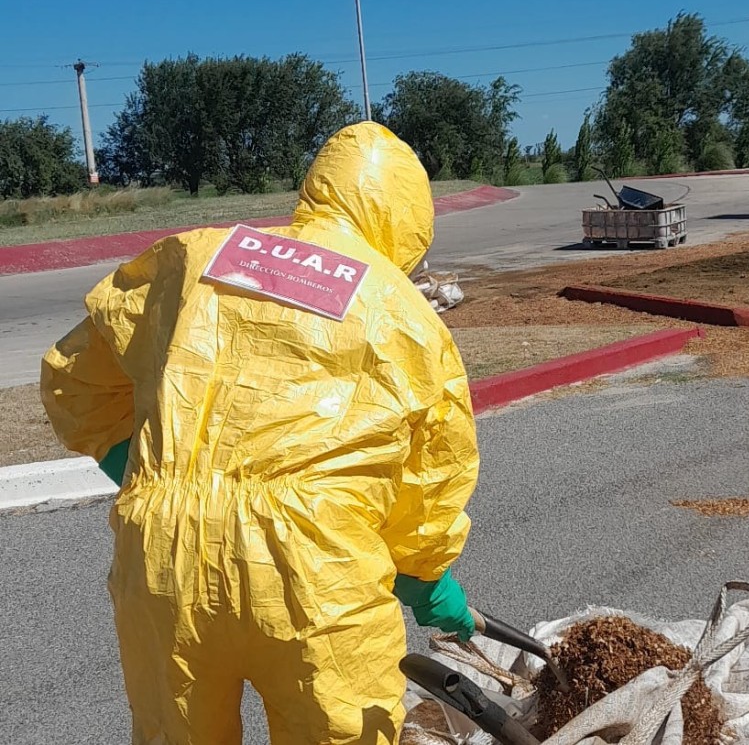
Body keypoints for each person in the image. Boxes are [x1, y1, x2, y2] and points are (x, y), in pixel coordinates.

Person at [40, 122, 481, 744]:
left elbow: (72, 383)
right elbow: (430, 476)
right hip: (316, 570)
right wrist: (428, 581)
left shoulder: (195, 257)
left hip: (162, 551)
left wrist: (146, 473)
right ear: (407, 222)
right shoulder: (403, 311)